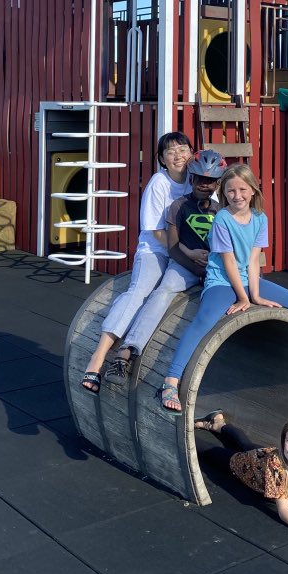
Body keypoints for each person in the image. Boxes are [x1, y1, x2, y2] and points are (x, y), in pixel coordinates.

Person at [159, 164, 288, 413]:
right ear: (223, 193)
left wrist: (256, 295)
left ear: (253, 190)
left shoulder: (260, 219)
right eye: (230, 191)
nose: (237, 195)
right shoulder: (222, 219)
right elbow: (229, 262)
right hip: (221, 280)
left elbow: (253, 260)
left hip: (247, 279)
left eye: (242, 189)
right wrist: (243, 298)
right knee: (205, 319)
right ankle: (170, 381)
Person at [80, 131, 192, 393]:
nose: (178, 155)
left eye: (183, 149)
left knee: (165, 292)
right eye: (170, 151)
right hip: (156, 249)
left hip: (182, 252)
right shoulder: (159, 183)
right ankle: (96, 359)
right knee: (140, 291)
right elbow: (155, 231)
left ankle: (126, 352)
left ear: (191, 152)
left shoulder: (197, 180)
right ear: (162, 159)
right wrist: (184, 251)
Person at [103, 150, 228, 385]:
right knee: (163, 290)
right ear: (191, 179)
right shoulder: (178, 206)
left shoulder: (221, 209)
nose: (204, 184)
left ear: (217, 183)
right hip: (184, 265)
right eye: (199, 179)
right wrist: (194, 265)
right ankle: (126, 353)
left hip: (215, 269)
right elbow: (172, 248)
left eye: (210, 181)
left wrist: (213, 267)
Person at [195, 410, 288, 545]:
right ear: (282, 443)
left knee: (246, 444)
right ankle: (188, 431)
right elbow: (284, 511)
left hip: (263, 456)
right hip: (248, 466)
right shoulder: (277, 466)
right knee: (210, 453)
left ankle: (218, 423)